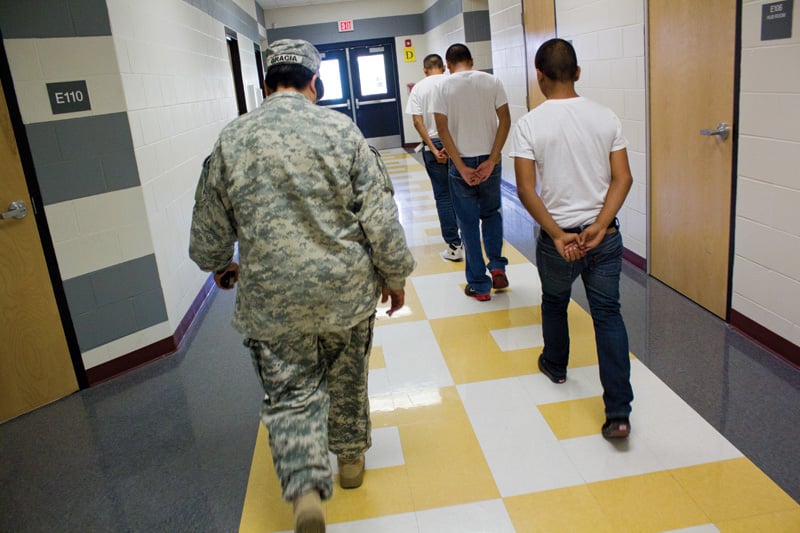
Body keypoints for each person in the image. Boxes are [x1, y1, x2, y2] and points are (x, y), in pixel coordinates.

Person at [189, 39, 415, 532]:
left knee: (290, 392)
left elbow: (207, 238)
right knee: (348, 374)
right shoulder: (344, 132)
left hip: (272, 300)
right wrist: (394, 276)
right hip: (345, 292)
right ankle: (351, 461)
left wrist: (221, 265)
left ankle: (306, 488)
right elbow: (380, 218)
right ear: (317, 83)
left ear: (266, 84)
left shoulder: (232, 140)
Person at [509, 38, 634, 439]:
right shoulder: (606, 116)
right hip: (605, 238)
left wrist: (558, 234)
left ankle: (556, 365)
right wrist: (600, 224)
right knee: (608, 315)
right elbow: (623, 177)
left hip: (558, 240)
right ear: (577, 73)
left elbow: (526, 189)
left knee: (554, 301)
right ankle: (618, 412)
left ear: (539, 76)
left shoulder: (530, 123)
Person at [431, 43, 510, 301]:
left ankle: (480, 285)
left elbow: (442, 130)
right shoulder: (492, 81)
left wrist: (461, 166)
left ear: (447, 65)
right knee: (491, 214)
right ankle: (497, 265)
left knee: (467, 224)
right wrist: (493, 158)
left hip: (461, 161)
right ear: (472, 60)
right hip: (490, 159)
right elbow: (505, 120)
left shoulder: (441, 86)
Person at [405, 53, 463, 262]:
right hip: (457, 144)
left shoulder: (419, 88)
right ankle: (467, 238)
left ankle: (454, 245)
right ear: (444, 67)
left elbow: (417, 123)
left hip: (434, 146)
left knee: (443, 196)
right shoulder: (453, 82)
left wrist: (433, 148)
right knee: (462, 193)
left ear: (424, 69)